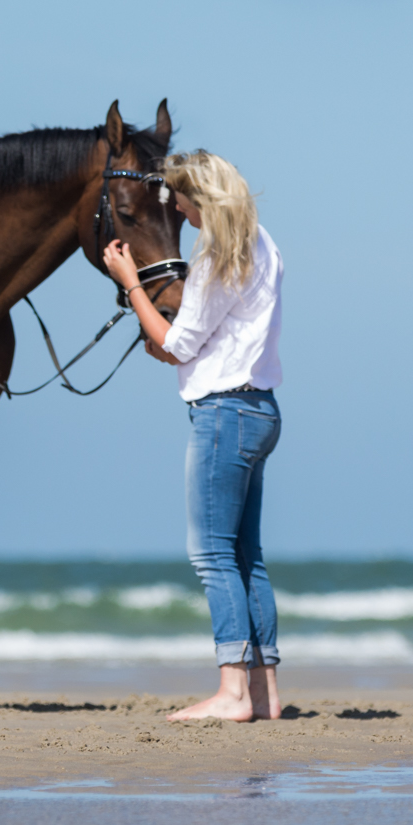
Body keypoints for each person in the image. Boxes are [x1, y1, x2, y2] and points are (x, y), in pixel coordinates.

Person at [105, 149, 284, 722]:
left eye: (180, 202)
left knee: (211, 554)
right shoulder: (265, 245)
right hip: (260, 409)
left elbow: (178, 345)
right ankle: (263, 692)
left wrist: (131, 285)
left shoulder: (216, 259)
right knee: (246, 555)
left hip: (225, 413)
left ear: (201, 199)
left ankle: (232, 692)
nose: (178, 212)